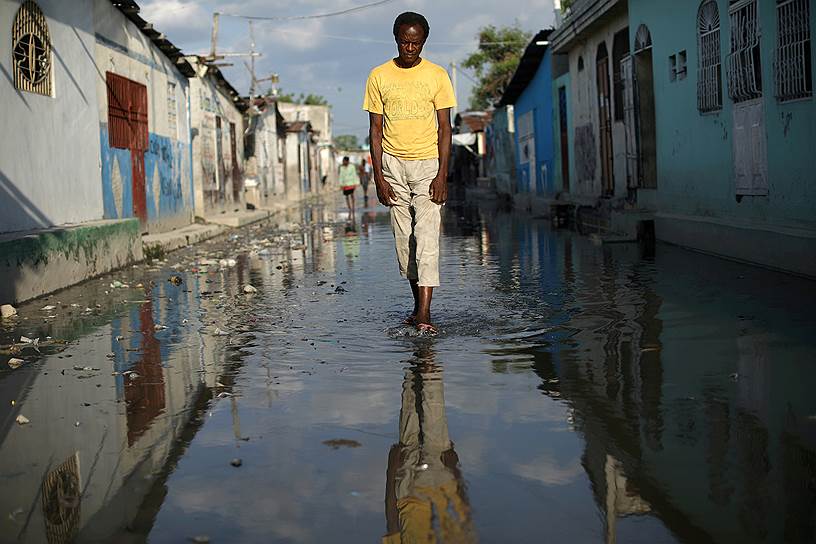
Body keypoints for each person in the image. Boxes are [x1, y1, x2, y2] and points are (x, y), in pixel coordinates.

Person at [363, 11, 455, 335]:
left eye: (416, 43)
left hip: (428, 164)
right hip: (392, 166)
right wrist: (378, 177)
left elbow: (445, 128)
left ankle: (425, 315)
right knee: (406, 243)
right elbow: (375, 131)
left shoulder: (437, 75)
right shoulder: (379, 76)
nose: (410, 48)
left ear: (424, 42)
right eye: (404, 41)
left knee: (428, 238)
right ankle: (418, 306)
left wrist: (442, 174)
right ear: (396, 39)